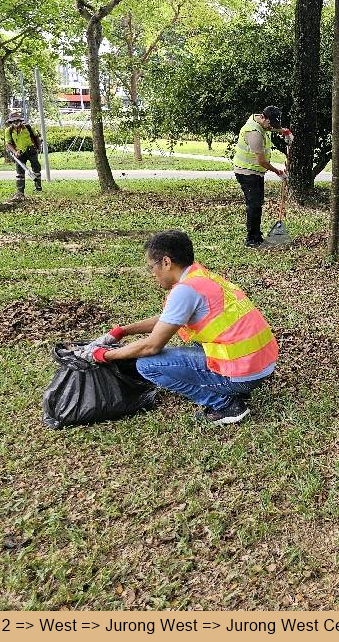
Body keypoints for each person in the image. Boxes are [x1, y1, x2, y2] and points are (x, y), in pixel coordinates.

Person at [83, 230, 278, 426]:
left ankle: (225, 404)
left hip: (244, 375)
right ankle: (234, 386)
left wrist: (103, 355)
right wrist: (122, 331)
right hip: (260, 365)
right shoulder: (200, 277)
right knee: (191, 345)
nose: (152, 273)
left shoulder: (185, 291)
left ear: (166, 262)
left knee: (147, 365)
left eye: (152, 267)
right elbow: (168, 319)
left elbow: (151, 347)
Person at [233, 106, 290, 248]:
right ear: (264, 118)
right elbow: (262, 161)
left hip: (255, 172)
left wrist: (284, 131)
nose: (271, 128)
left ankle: (257, 236)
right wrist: (279, 172)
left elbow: (271, 127)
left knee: (258, 204)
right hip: (246, 172)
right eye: (270, 124)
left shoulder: (260, 119)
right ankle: (252, 239)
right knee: (254, 205)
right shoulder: (254, 132)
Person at [4, 109, 42, 201]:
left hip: (31, 150)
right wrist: (14, 151)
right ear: (11, 122)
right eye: (13, 121)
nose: (16, 123)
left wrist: (38, 148)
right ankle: (20, 191)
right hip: (19, 153)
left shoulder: (28, 128)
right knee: (20, 172)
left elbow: (36, 136)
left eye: (17, 121)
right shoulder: (8, 131)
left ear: (21, 121)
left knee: (36, 168)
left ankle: (38, 187)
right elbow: (8, 143)